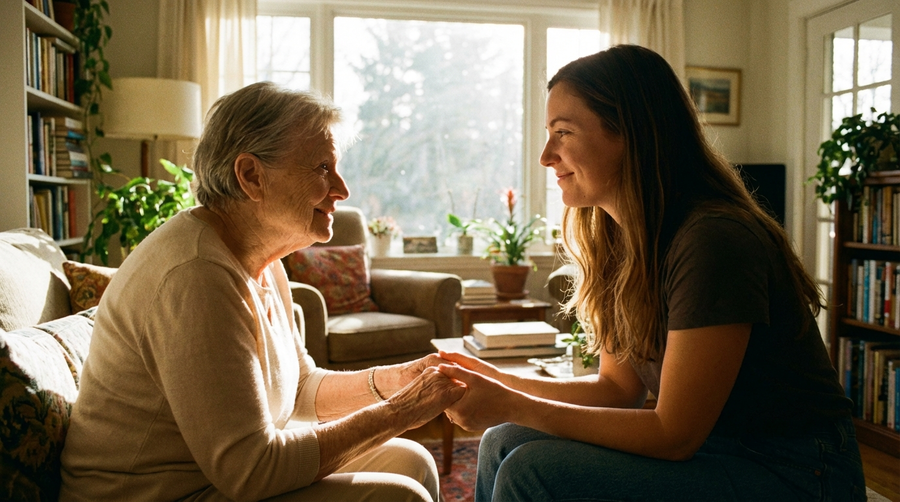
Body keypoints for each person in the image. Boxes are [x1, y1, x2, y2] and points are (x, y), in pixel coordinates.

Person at [438, 45, 867, 501]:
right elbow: (616, 389)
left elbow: (673, 435)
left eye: (563, 133)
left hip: (798, 469)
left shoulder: (713, 240)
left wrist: (514, 402)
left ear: (632, 135)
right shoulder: (621, 242)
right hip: (720, 449)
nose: (546, 156)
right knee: (503, 439)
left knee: (532, 470)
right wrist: (489, 378)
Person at [60, 81, 465, 502]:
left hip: (213, 478)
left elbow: (302, 387)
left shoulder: (264, 261)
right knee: (398, 496)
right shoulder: (195, 274)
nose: (342, 189)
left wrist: (395, 381)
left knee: (411, 460)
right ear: (251, 176)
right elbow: (253, 471)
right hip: (153, 494)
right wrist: (400, 411)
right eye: (322, 168)